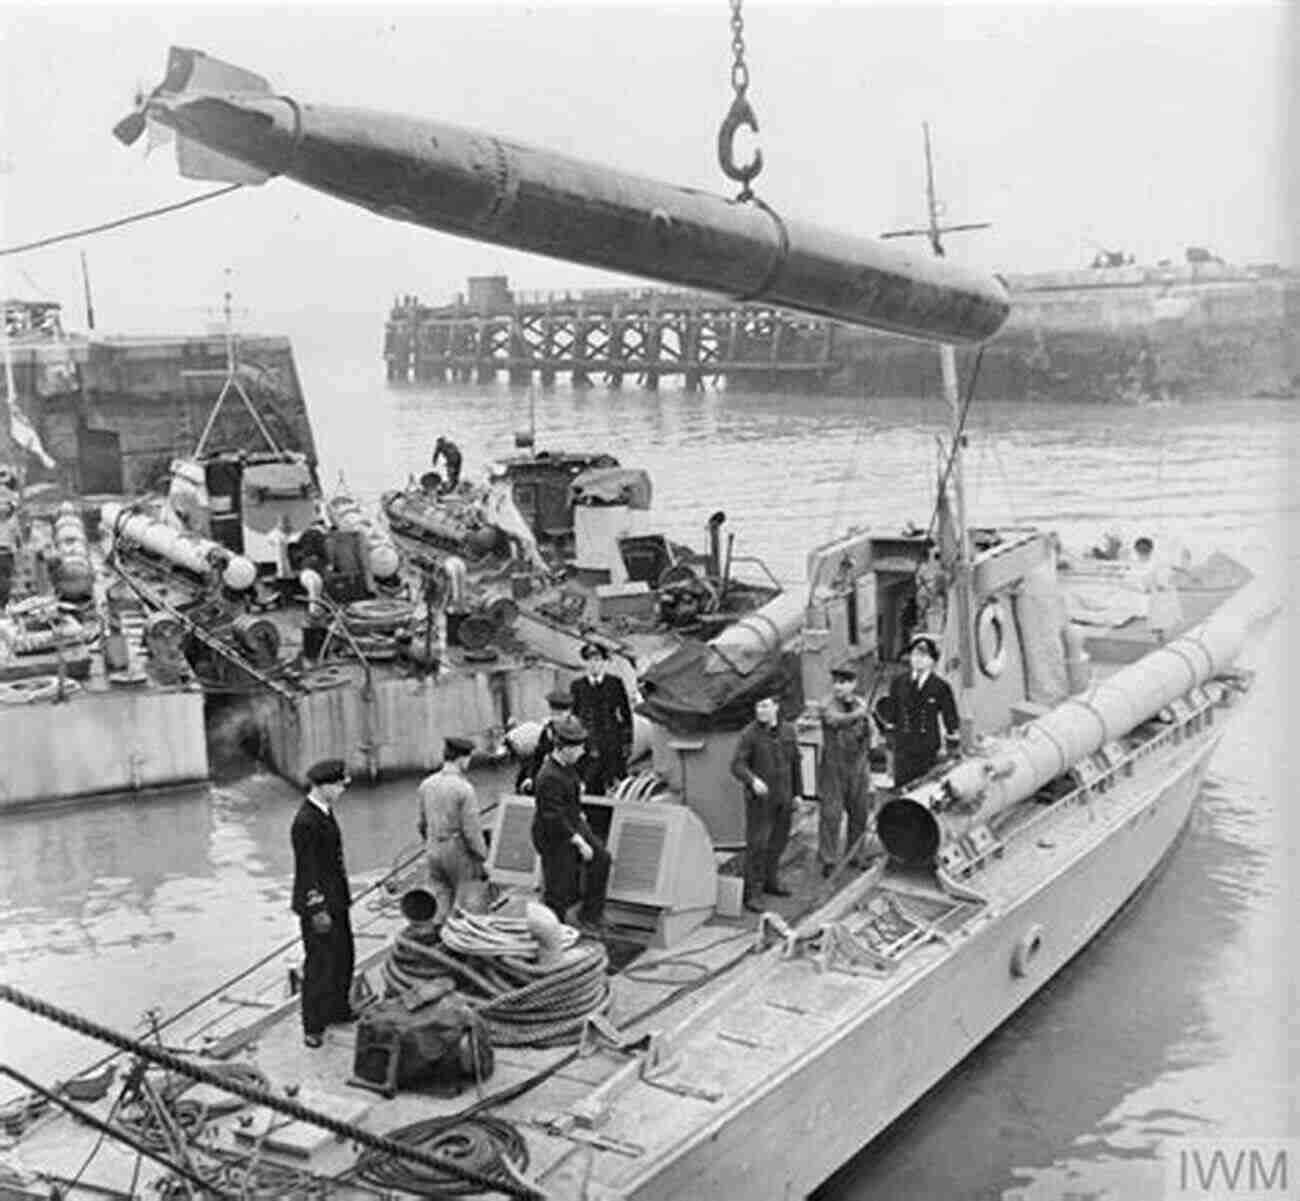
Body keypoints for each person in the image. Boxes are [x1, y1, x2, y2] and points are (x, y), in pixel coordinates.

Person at [290, 758, 355, 1048]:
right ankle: (313, 1025)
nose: (342, 790)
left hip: (336, 900)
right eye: (339, 785)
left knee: (343, 956)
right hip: (319, 906)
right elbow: (307, 870)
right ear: (325, 786)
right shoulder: (305, 822)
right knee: (319, 964)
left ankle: (338, 1009)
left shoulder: (325, 812)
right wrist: (317, 909)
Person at [531, 715, 611, 931]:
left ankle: (590, 914)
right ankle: (553, 930)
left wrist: (580, 817)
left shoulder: (565, 767)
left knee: (601, 859)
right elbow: (552, 817)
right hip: (555, 835)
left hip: (573, 821)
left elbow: (568, 800)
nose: (582, 752)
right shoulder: (548, 776)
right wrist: (578, 841)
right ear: (564, 748)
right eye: (578, 748)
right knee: (560, 888)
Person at [730, 694, 802, 913]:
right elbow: (737, 765)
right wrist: (753, 780)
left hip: (784, 796)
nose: (760, 710)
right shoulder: (749, 734)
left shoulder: (788, 731)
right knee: (757, 846)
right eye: (758, 706)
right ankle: (753, 893)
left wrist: (798, 793)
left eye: (765, 706)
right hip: (760, 801)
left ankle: (771, 882)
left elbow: (795, 764)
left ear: (776, 707)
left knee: (778, 842)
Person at [417, 737, 488, 921]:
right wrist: (483, 858)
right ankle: (461, 938)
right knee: (465, 903)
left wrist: (429, 844)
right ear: (462, 759)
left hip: (432, 847)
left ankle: (440, 935)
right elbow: (472, 832)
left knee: (440, 899)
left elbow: (422, 824)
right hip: (456, 851)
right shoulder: (464, 789)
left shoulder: (426, 785)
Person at [816, 663, 874, 877]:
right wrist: (860, 713)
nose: (838, 687)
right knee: (831, 815)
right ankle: (828, 859)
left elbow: (869, 733)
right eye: (836, 682)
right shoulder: (826, 704)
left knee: (860, 814)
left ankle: (856, 855)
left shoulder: (860, 703)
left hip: (858, 766)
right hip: (833, 768)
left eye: (844, 682)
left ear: (853, 684)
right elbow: (835, 720)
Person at [881, 634, 960, 789]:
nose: (917, 659)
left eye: (923, 656)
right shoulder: (899, 682)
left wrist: (952, 747)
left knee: (925, 789)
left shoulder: (940, 686)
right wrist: (890, 742)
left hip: (927, 747)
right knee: (903, 789)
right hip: (903, 746)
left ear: (933, 661)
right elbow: (892, 712)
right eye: (915, 655)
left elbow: (950, 718)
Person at [569, 643, 633, 795]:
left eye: (597, 660)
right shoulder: (577, 686)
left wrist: (627, 743)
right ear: (585, 663)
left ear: (604, 662)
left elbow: (626, 714)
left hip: (613, 743)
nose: (594, 664)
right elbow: (575, 716)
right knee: (591, 784)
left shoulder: (615, 683)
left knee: (618, 785)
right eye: (590, 660)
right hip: (590, 745)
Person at [515, 688, 577, 793]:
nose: (555, 719)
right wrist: (531, 777)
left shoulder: (577, 730)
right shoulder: (548, 730)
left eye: (559, 715)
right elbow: (538, 755)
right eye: (553, 714)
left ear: (569, 712)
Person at [1130, 535, 1183, 642]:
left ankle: (1164, 639)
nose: (1141, 552)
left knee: (1164, 619)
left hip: (1164, 594)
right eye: (1139, 550)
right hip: (1155, 595)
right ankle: (1160, 637)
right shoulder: (1142, 561)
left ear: (1150, 549)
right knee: (1157, 620)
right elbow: (1143, 578)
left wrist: (1159, 585)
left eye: (1144, 550)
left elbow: (1162, 577)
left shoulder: (1157, 561)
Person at [299, 556, 328, 664]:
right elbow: (314, 594)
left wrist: (312, 611)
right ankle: (319, 653)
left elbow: (312, 594)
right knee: (317, 625)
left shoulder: (308, 577)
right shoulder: (314, 577)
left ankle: (315, 655)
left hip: (315, 606)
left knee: (315, 627)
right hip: (317, 604)